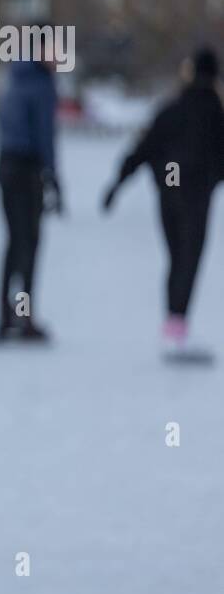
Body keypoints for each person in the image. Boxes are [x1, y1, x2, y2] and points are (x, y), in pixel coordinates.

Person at [101, 45, 224, 360]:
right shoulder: (215, 113)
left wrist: (118, 183)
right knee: (188, 259)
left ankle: (173, 326)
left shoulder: (171, 108)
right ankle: (176, 326)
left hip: (169, 190)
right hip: (195, 194)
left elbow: (145, 147)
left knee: (175, 259)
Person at [0, 28, 62, 343]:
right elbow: (45, 135)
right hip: (26, 168)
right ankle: (23, 315)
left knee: (14, 242)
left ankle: (5, 314)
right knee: (30, 243)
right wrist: (52, 176)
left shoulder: (14, 77)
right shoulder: (42, 84)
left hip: (5, 166)